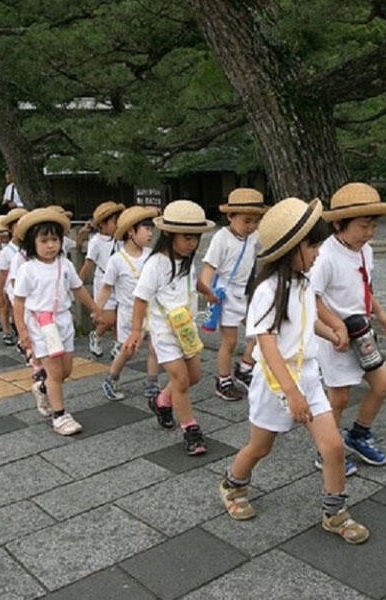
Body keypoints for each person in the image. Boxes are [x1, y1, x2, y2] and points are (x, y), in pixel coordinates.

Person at [218, 197, 370, 545]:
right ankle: (232, 484)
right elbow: (267, 343)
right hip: (275, 382)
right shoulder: (267, 290)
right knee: (260, 447)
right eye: (312, 245)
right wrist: (291, 392)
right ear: (290, 248)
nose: (318, 252)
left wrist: (330, 331)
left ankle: (335, 512)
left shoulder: (301, 281)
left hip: (307, 376)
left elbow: (304, 320)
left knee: (333, 446)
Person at [310, 182, 386, 476]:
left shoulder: (365, 250)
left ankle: (358, 435)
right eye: (363, 226)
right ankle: (326, 450)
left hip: (362, 331)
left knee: (383, 384)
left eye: (373, 225)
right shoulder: (325, 255)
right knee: (339, 397)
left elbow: (365, 286)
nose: (369, 232)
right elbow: (313, 297)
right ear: (338, 224)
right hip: (335, 336)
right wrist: (335, 326)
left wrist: (380, 312)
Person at [123, 200, 215, 455]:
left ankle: (162, 401)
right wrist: (135, 331)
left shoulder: (186, 262)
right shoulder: (156, 264)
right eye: (187, 238)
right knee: (181, 379)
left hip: (186, 329)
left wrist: (209, 294)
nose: (192, 244)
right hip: (164, 332)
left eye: (195, 238)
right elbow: (140, 298)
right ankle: (191, 429)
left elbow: (194, 283)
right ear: (170, 234)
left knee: (194, 376)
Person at [12, 208, 101, 436]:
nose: (51, 245)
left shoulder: (65, 264)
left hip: (63, 321)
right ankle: (60, 415)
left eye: (55, 239)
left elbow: (78, 288)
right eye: (44, 240)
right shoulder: (28, 269)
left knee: (65, 371)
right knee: (54, 372)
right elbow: (19, 302)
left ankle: (42, 387)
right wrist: (22, 331)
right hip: (41, 324)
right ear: (33, 243)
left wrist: (95, 308)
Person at [199, 187, 266, 401]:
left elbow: (266, 251)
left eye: (256, 221)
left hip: (246, 292)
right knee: (229, 342)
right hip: (225, 295)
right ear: (230, 216)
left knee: (259, 331)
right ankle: (223, 380)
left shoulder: (254, 236)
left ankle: (245, 368)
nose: (251, 226)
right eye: (247, 221)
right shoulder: (221, 238)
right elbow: (209, 266)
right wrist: (207, 292)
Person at [97, 206, 160, 402]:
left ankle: (151, 382)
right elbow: (107, 287)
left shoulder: (152, 255)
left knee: (155, 347)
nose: (150, 233)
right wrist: (98, 308)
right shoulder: (116, 260)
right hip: (128, 314)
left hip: (153, 311)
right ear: (131, 231)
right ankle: (111, 378)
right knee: (128, 350)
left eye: (151, 229)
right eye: (146, 229)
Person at [79, 201, 124, 358]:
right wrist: (78, 283)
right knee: (108, 319)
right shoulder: (96, 241)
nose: (117, 225)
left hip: (120, 281)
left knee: (121, 316)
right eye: (113, 221)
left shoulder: (120, 240)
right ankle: (96, 335)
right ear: (103, 224)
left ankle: (118, 344)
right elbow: (88, 263)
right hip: (104, 280)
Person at [0, 208, 28, 345]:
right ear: (10, 228)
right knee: (11, 309)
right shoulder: (6, 252)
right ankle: (8, 331)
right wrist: (0, 293)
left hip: (28, 286)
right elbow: (2, 274)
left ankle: (22, 334)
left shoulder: (31, 248)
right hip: (12, 286)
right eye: (17, 225)